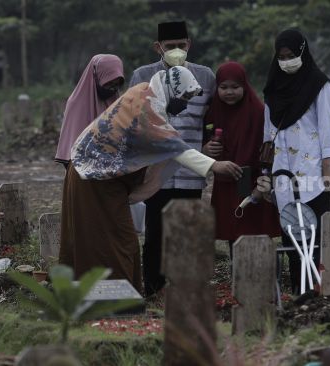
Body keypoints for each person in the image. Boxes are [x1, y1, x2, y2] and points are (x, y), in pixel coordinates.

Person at [59, 66, 242, 293]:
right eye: (184, 96)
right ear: (171, 89)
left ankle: (117, 297)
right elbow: (175, 148)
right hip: (93, 179)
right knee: (111, 241)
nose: (184, 104)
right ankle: (109, 298)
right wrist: (214, 165)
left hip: (103, 179)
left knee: (116, 240)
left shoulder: (146, 96)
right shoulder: (144, 105)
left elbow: (168, 144)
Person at [129, 21, 217, 297]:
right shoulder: (142, 76)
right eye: (170, 47)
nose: (176, 51)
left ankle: (184, 290)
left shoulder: (205, 77)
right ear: (158, 48)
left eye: (181, 45)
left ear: (189, 44)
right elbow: (134, 123)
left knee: (187, 233)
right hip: (155, 172)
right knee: (155, 233)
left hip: (191, 171)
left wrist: (208, 144)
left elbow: (211, 121)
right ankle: (154, 289)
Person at [259, 29, 330, 295]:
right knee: (291, 229)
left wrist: (328, 167)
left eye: (291, 55)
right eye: (281, 56)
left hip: (312, 166)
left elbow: (328, 127)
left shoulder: (319, 84)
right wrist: (266, 175)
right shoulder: (273, 88)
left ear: (302, 52)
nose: (286, 61)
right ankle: (297, 289)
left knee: (316, 231)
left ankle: (318, 288)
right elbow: (267, 134)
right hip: (282, 167)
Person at [204, 61, 280, 258]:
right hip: (226, 179)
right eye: (224, 87)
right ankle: (238, 272)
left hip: (253, 178)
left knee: (255, 225)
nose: (229, 92)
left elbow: (269, 147)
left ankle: (262, 272)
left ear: (245, 86)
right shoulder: (213, 111)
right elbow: (202, 141)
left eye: (235, 87)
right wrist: (207, 148)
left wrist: (264, 181)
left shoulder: (258, 111)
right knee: (232, 226)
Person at [55, 54, 124, 169]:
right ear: (96, 77)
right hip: (82, 169)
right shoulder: (76, 104)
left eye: (116, 85)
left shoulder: (116, 102)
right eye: (108, 83)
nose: (112, 89)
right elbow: (72, 148)